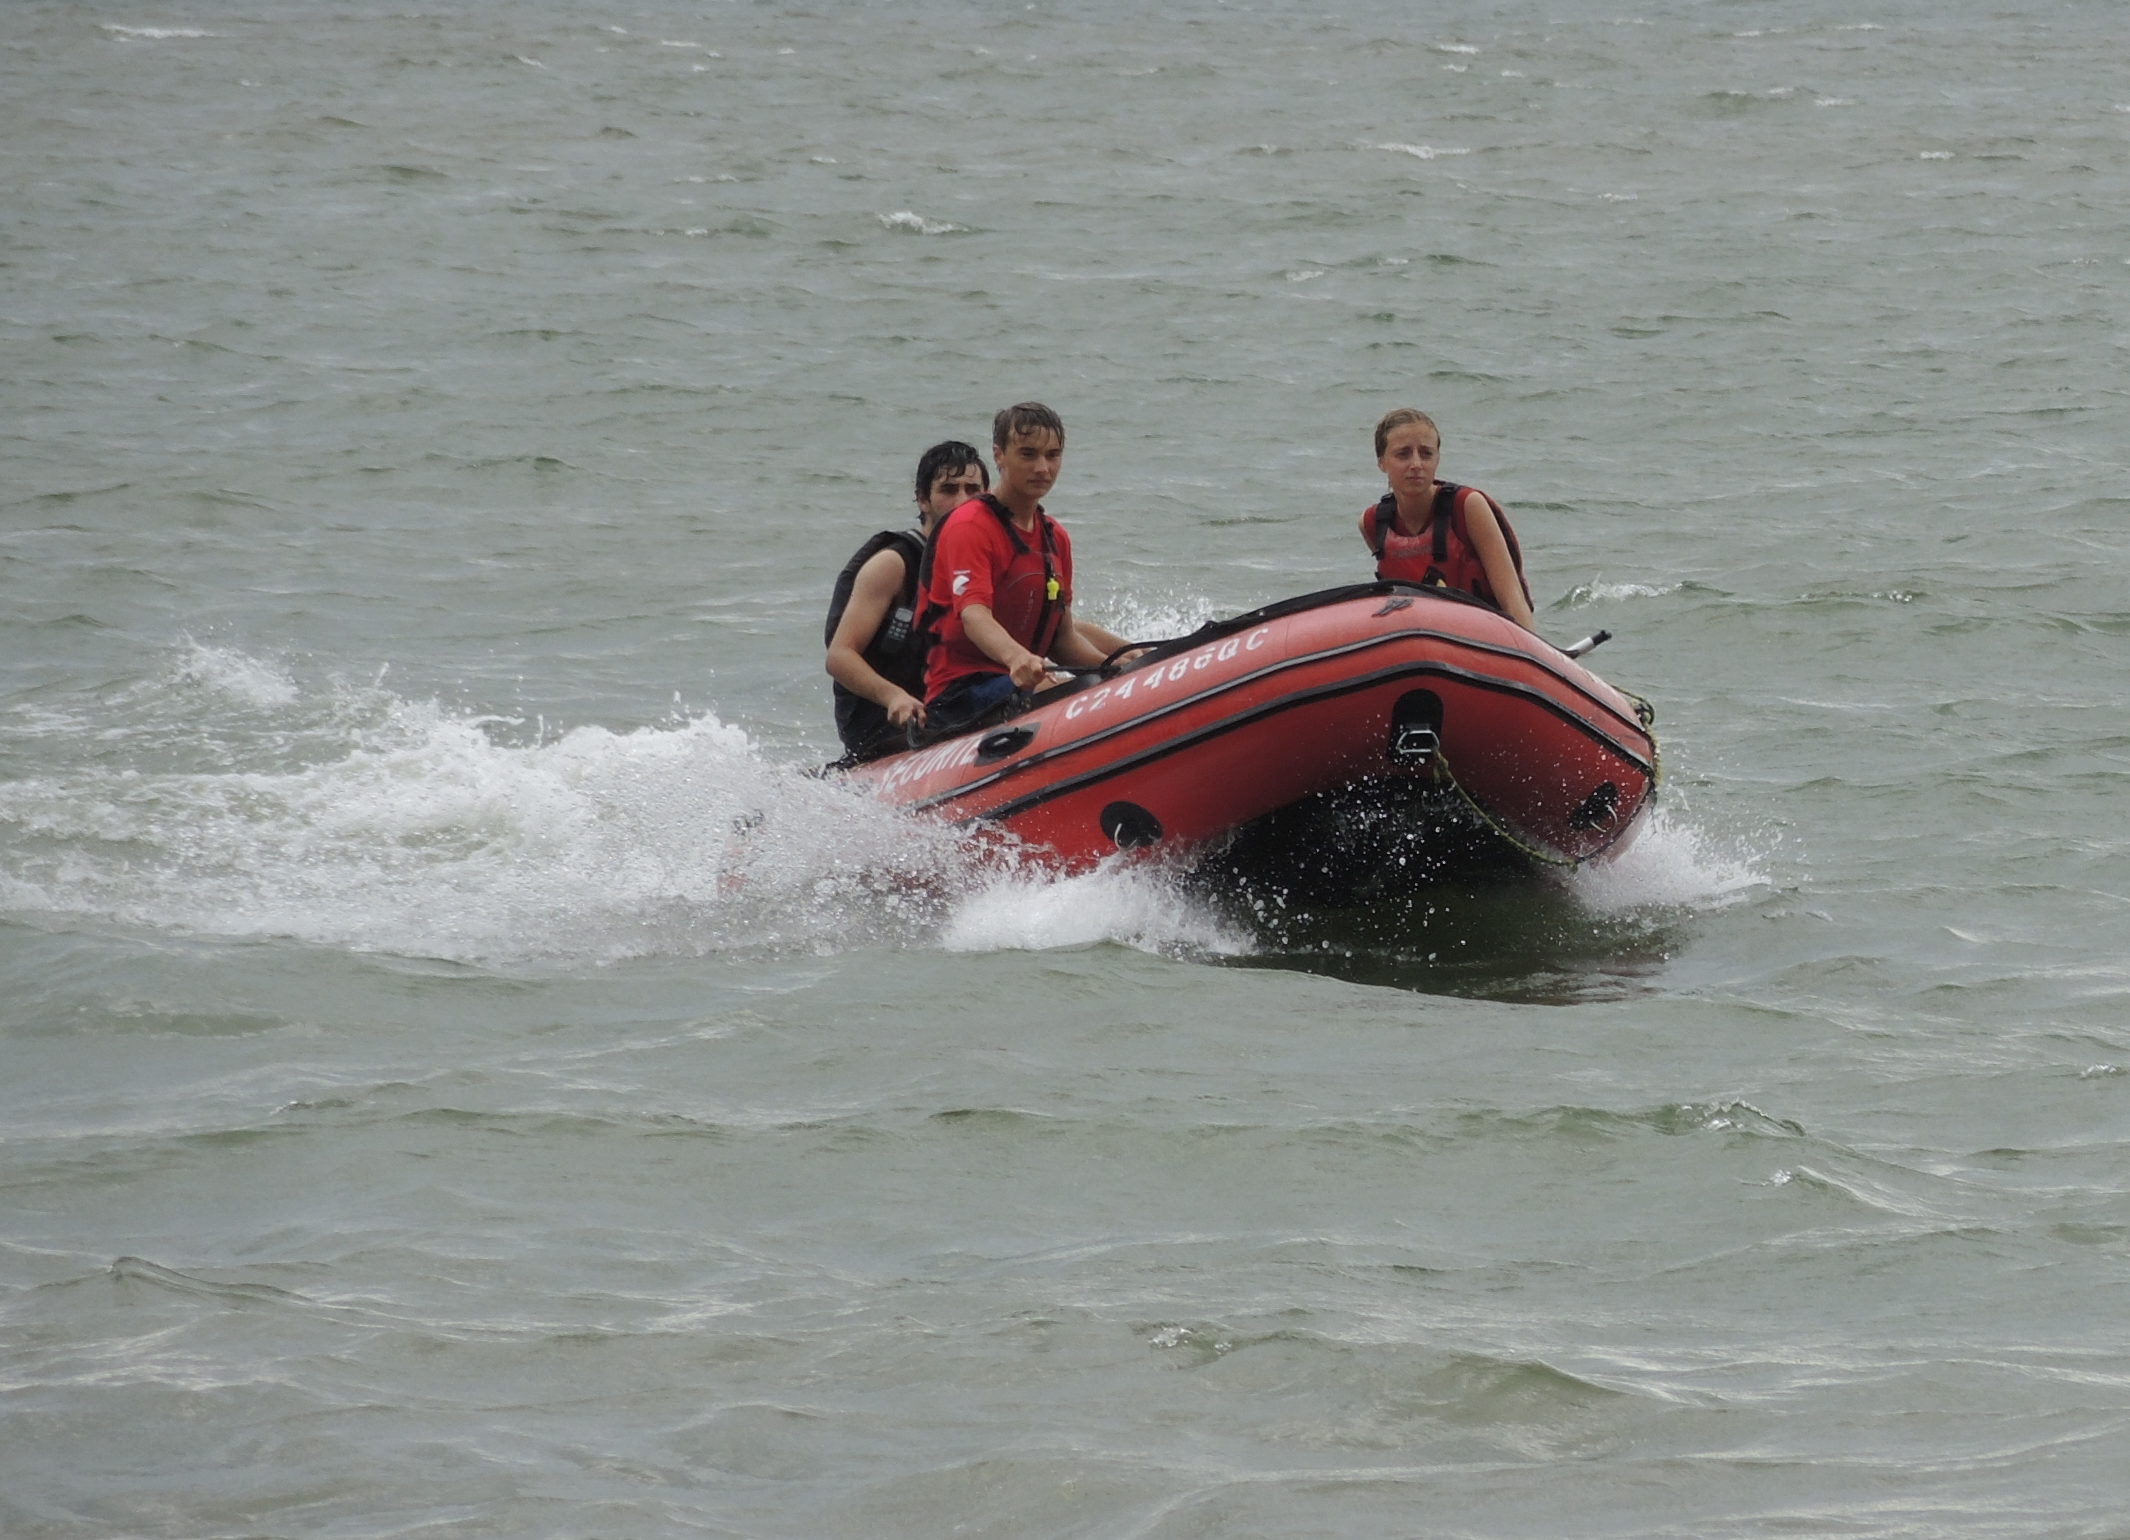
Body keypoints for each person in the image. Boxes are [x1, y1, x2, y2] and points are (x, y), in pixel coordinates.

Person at [918, 402, 1134, 737]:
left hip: (1022, 679)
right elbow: (973, 616)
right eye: (1028, 454)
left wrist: (1114, 665)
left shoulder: (1055, 537)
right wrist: (1017, 657)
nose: (1043, 468)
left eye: (1053, 455)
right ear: (999, 455)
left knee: (1102, 683)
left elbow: (1062, 639)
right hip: (960, 694)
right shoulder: (969, 526)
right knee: (1060, 693)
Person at [823, 440, 990, 764]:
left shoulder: (977, 559)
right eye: (949, 490)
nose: (962, 501)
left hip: (949, 705)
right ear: (923, 499)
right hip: (887, 725)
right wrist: (893, 696)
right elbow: (839, 656)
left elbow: (1049, 627)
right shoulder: (893, 564)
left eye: (973, 490)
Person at [1360, 408, 1537, 632]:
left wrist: (1529, 646)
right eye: (1403, 454)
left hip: (1485, 636)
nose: (1416, 464)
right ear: (1381, 462)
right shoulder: (1374, 523)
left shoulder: (1467, 506)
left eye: (1426, 454)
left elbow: (1512, 598)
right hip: (1423, 639)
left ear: (1437, 459)